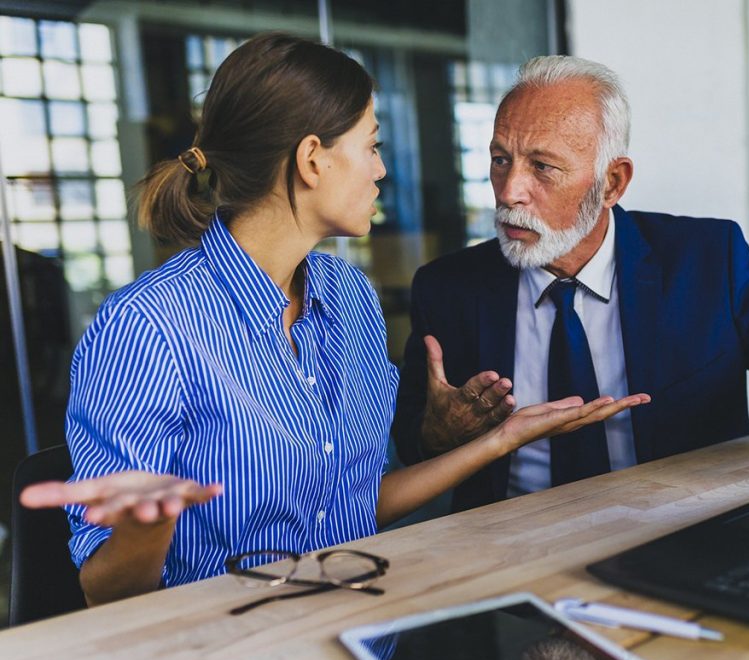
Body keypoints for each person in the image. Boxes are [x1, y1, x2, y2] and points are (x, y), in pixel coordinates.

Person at [19, 35, 648, 607]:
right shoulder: (147, 328)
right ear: (313, 160)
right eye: (371, 146)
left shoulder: (349, 296)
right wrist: (148, 525)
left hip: (363, 632)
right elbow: (106, 590)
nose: (381, 170)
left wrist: (500, 441)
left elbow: (355, 506)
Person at [392, 55, 749, 512]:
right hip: (506, 562)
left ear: (612, 182)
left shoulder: (705, 258)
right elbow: (417, 441)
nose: (509, 191)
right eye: (500, 159)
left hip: (677, 539)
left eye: (543, 167)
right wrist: (440, 434)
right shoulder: (448, 288)